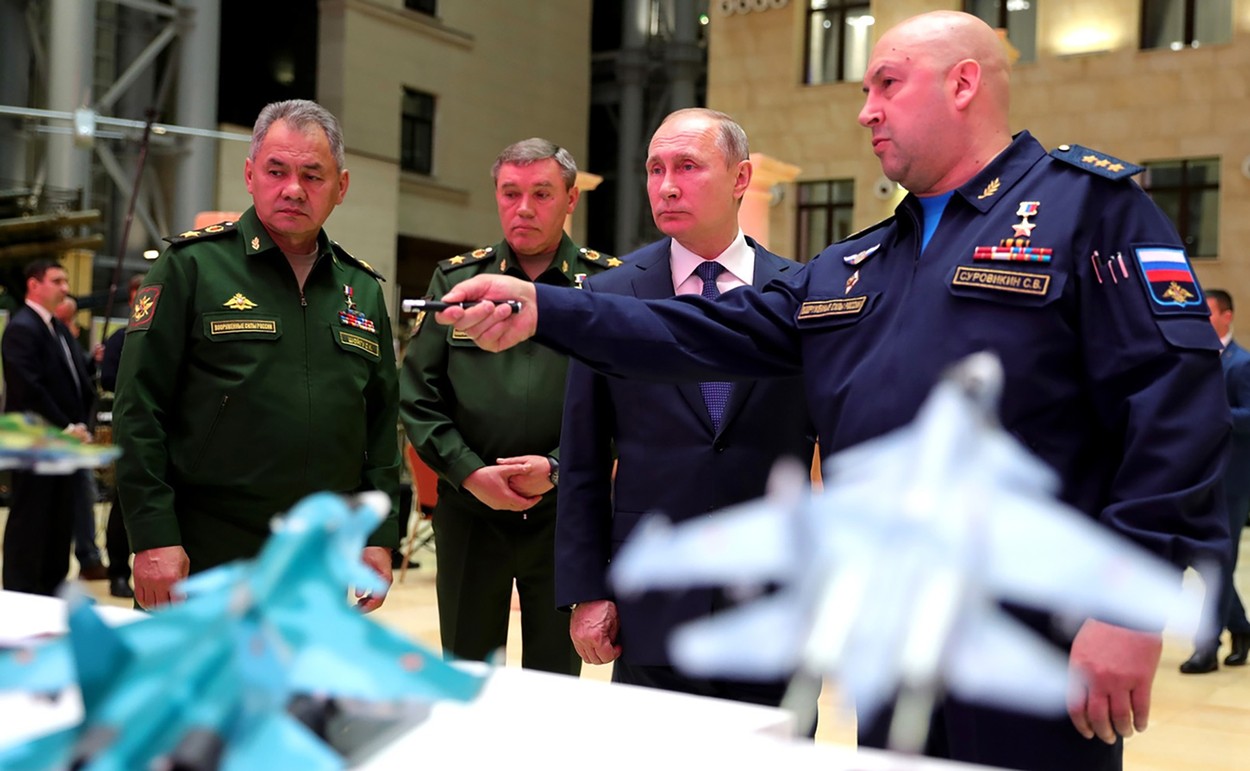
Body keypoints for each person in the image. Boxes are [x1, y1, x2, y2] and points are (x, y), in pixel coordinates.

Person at [431, 11, 1230, 770]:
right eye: (863, 93)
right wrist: (544, 306)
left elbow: (1176, 406)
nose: (866, 112)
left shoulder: (1089, 211)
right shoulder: (862, 263)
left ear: (962, 84)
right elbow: (695, 331)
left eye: (886, 84)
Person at [558, 108, 815, 707]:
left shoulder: (803, 295)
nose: (667, 184)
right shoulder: (611, 295)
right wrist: (586, 590)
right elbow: (584, 460)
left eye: (688, 166)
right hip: (652, 598)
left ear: (741, 177)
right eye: (655, 169)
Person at [113, 99, 400, 611]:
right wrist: (153, 534)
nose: (293, 188)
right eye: (276, 170)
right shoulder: (191, 268)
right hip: (204, 550)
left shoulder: (361, 289)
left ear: (341, 187)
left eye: (313, 175)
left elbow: (378, 427)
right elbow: (138, 411)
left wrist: (379, 533)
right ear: (250, 175)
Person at [400, 138, 615, 675]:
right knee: (468, 675)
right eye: (510, 192)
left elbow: (627, 404)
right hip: (473, 514)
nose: (523, 208)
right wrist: (469, 473)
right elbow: (419, 396)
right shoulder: (458, 283)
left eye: (541, 193)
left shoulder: (607, 286)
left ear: (570, 200)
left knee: (555, 680)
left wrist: (559, 467)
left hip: (565, 516)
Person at [1, 260, 96, 596]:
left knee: (60, 519)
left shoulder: (56, 328)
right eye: (57, 280)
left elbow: (75, 380)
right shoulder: (22, 327)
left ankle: (50, 590)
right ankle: (20, 592)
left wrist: (83, 424)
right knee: (31, 518)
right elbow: (28, 387)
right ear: (33, 285)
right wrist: (65, 426)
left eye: (66, 280)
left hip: (66, 440)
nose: (66, 287)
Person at [1180, 288, 1250, 673]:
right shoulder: (1196, 357)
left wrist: (1213, 414)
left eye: (1207, 314)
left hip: (1232, 478)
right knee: (1201, 558)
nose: (1202, 321)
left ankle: (1206, 646)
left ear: (1227, 316)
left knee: (1219, 562)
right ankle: (1241, 626)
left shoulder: (1241, 364)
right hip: (1197, 476)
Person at [95, 274, 149, 599]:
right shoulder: (121, 338)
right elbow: (110, 378)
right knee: (124, 501)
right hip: (131, 426)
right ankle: (117, 572)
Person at [52, 295, 110, 582]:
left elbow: (80, 381)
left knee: (82, 495)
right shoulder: (43, 337)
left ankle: (88, 558)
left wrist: (91, 362)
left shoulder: (69, 342)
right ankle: (80, 558)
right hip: (56, 434)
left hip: (77, 433)